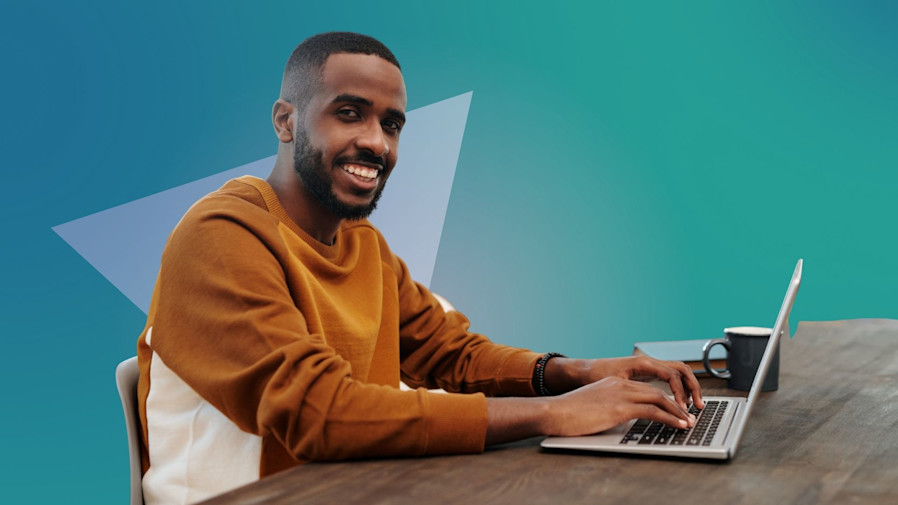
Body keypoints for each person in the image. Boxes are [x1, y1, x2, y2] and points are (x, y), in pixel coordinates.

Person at [136, 31, 704, 505]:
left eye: (391, 124)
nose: (375, 142)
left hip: (360, 487)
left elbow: (450, 355)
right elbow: (318, 413)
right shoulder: (219, 237)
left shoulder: (362, 244)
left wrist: (575, 373)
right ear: (286, 121)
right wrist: (552, 414)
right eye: (350, 114)